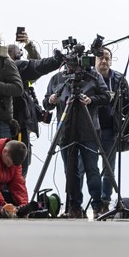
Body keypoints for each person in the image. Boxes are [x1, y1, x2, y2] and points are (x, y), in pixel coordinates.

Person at [44, 61, 111, 219]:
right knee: (71, 171)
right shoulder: (57, 78)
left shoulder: (93, 76)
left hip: (88, 130)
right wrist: (51, 100)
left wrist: (91, 100)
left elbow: (107, 96)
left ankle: (97, 205)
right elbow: (46, 103)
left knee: (92, 169)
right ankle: (74, 206)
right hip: (66, 131)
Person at [8, 31, 63, 177]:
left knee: (21, 168)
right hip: (17, 127)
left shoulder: (21, 78)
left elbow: (36, 66)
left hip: (21, 127)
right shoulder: (14, 71)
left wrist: (28, 45)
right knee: (18, 170)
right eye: (20, 55)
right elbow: (38, 67)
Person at [94, 47, 129, 213]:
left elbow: (128, 106)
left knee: (108, 169)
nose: (104, 61)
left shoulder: (119, 79)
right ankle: (95, 202)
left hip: (111, 129)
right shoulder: (89, 77)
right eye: (100, 58)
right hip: (90, 129)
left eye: (107, 58)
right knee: (90, 168)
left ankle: (104, 202)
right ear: (95, 60)